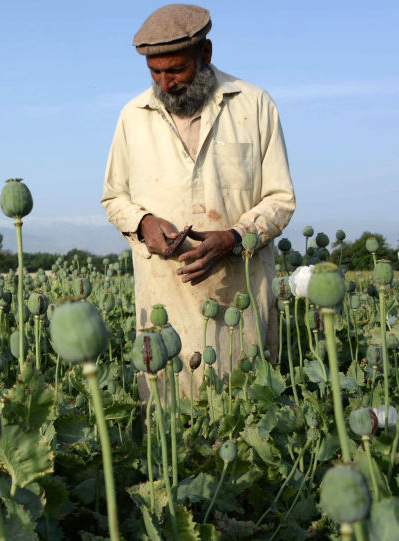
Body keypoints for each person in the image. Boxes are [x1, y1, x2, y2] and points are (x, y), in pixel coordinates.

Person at [101, 4, 295, 398]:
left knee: (240, 417)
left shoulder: (254, 105)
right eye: (155, 72)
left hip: (237, 300)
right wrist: (143, 223)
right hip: (163, 300)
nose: (166, 83)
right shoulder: (133, 116)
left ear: (205, 54)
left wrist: (235, 237)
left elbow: (280, 198)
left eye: (176, 70)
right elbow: (113, 196)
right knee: (169, 426)